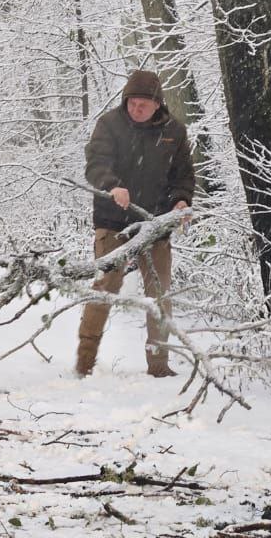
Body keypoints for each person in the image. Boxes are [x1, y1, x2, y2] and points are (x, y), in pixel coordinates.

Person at [77, 69, 195, 377]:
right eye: (131, 103)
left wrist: (181, 200)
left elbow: (183, 176)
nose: (136, 109)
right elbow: (96, 164)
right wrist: (112, 185)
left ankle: (159, 365)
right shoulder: (110, 125)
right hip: (112, 221)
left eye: (143, 104)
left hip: (155, 224)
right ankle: (84, 362)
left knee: (160, 293)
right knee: (106, 288)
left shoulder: (175, 132)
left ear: (158, 104)